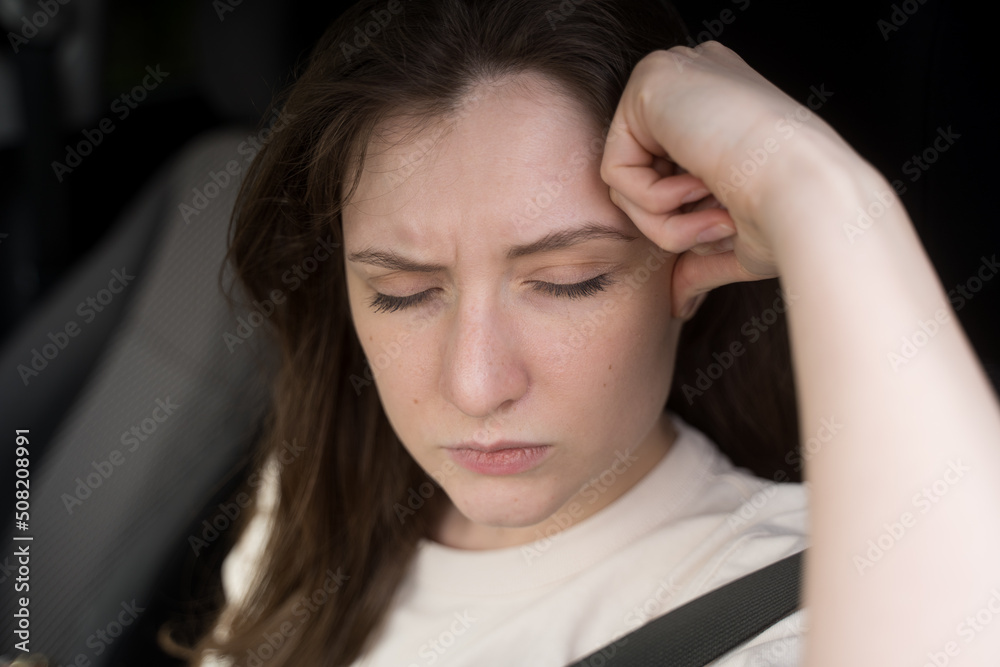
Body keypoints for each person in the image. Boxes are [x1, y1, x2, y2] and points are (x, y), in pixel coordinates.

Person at [163, 0, 1000, 665]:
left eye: (568, 282)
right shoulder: (318, 480)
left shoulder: (791, 598)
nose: (476, 383)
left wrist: (818, 191)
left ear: (693, 257)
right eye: (403, 292)